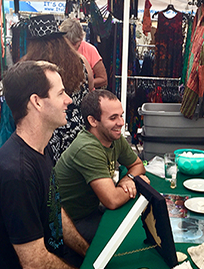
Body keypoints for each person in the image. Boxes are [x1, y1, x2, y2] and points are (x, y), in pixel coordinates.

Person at [0, 61, 90, 269]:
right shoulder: (15, 172)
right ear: (37, 102)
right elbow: (35, 264)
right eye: (60, 93)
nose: (68, 100)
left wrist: (88, 253)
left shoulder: (42, 149)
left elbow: (55, 210)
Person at [55, 89, 149, 253]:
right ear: (93, 121)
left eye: (121, 115)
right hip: (70, 223)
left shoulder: (113, 136)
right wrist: (137, 183)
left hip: (91, 211)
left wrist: (130, 179)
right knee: (130, 240)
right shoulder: (87, 147)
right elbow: (112, 200)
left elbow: (138, 165)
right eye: (113, 118)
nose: (121, 122)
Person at [22, 14, 93, 162]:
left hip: (45, 134)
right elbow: (89, 93)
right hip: (77, 134)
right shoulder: (80, 61)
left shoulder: (30, 67)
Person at [59, 18, 108, 89]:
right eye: (67, 44)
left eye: (74, 44)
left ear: (81, 38)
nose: (70, 48)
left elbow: (103, 79)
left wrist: (85, 84)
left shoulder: (90, 50)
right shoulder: (56, 49)